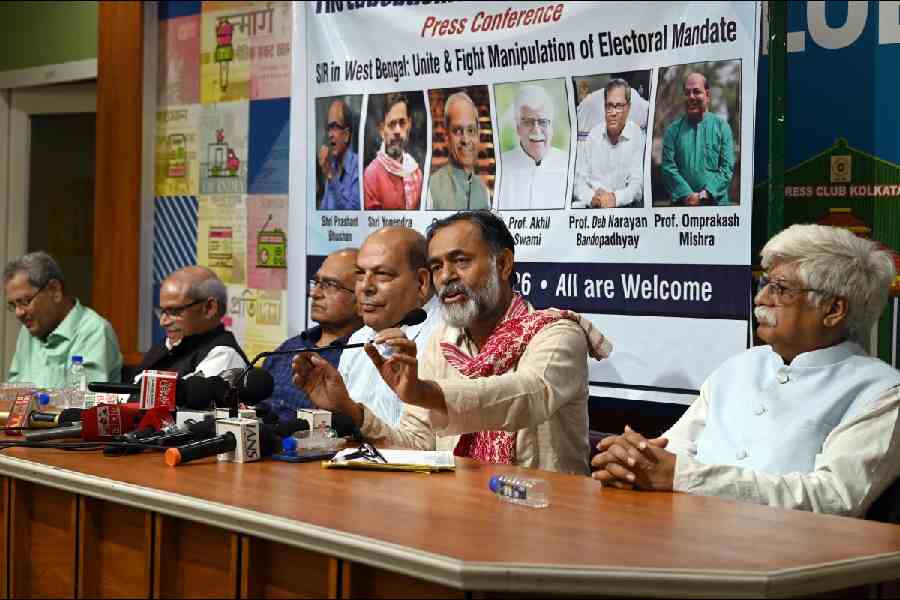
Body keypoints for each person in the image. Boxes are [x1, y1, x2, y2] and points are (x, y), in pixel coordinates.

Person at [592, 224, 900, 517]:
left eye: (780, 289)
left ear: (833, 310)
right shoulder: (741, 367)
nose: (760, 299)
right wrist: (631, 460)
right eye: (765, 284)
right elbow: (672, 452)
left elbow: (834, 498)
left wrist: (681, 477)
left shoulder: (881, 392)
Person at [294, 211, 612, 474]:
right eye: (436, 266)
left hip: (545, 515)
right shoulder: (442, 344)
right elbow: (417, 444)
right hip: (462, 510)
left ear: (502, 265)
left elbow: (525, 397)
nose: (446, 276)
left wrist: (427, 393)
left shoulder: (556, 334)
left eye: (460, 261)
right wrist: (350, 408)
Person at [293, 227, 442, 427]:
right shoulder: (359, 339)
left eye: (382, 274)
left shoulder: (446, 339)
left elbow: (422, 443)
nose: (365, 287)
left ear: (422, 282)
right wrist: (338, 410)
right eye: (361, 275)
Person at [258, 249, 363, 421]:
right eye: (316, 282)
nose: (315, 293)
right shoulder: (288, 348)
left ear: (362, 295)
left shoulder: (363, 357)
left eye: (331, 285)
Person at [4, 251, 121, 387]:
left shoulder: (95, 331)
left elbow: (83, 402)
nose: (19, 313)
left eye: (25, 301)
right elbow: (13, 392)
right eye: (13, 305)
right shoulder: (28, 330)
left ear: (54, 290)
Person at [136, 266, 247, 379]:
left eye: (174, 311)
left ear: (209, 308)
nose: (163, 322)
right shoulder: (168, 346)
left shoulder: (224, 356)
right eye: (162, 311)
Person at [660, 72, 735, 206]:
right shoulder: (672, 131)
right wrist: (687, 195)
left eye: (696, 92)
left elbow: (727, 169)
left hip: (716, 212)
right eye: (687, 93)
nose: (691, 97)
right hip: (682, 213)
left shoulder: (722, 128)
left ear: (707, 95)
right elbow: (668, 168)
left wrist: (703, 195)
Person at [573, 79, 645, 209]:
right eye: (609, 105)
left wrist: (615, 198)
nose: (613, 112)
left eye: (618, 106)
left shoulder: (636, 135)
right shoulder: (593, 135)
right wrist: (592, 198)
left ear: (628, 108)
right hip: (594, 206)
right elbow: (579, 182)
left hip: (624, 209)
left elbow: (637, 186)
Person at [497, 84, 569, 210]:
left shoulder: (568, 165)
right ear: (518, 127)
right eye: (528, 122)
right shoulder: (501, 166)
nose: (536, 130)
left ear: (551, 128)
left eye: (543, 122)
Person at [426, 91, 490, 211]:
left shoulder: (484, 192)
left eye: (471, 130)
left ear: (478, 134)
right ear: (446, 136)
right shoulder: (430, 188)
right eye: (457, 131)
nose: (465, 140)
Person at [363, 93, 422, 210]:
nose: (397, 131)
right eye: (391, 124)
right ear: (381, 130)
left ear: (409, 124)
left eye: (402, 123)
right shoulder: (371, 175)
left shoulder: (416, 172)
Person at [318, 99, 360, 210]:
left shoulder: (358, 166)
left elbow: (353, 215)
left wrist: (331, 177)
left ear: (346, 135)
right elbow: (323, 210)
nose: (330, 134)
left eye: (334, 127)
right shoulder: (332, 167)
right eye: (328, 128)